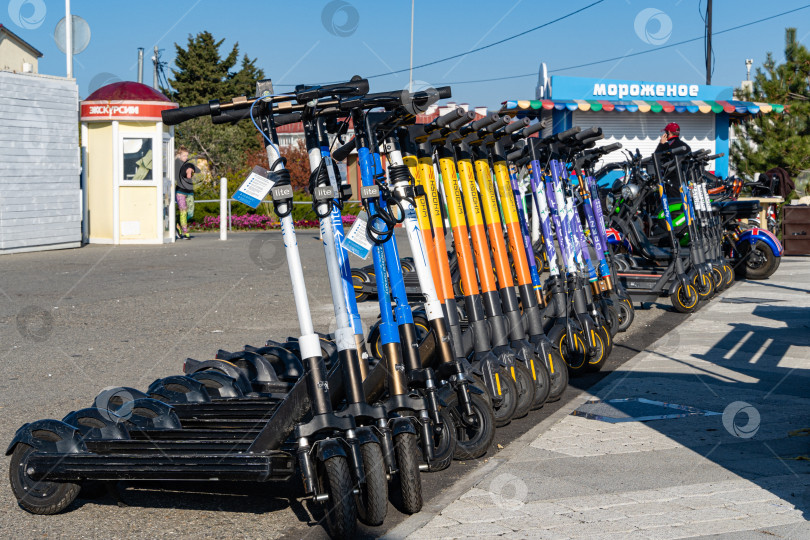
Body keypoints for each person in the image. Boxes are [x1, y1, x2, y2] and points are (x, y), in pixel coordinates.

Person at [654, 122, 691, 199]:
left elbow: (655, 158)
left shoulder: (667, 146)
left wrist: (661, 144)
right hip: (684, 181)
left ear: (669, 132)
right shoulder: (686, 146)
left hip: (670, 183)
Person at [174, 147, 198, 240]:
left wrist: (191, 170)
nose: (185, 157)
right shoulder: (177, 163)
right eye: (184, 155)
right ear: (179, 155)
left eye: (187, 155)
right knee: (183, 211)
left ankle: (178, 224)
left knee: (190, 213)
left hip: (189, 190)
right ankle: (185, 232)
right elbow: (178, 174)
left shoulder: (188, 163)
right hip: (180, 191)